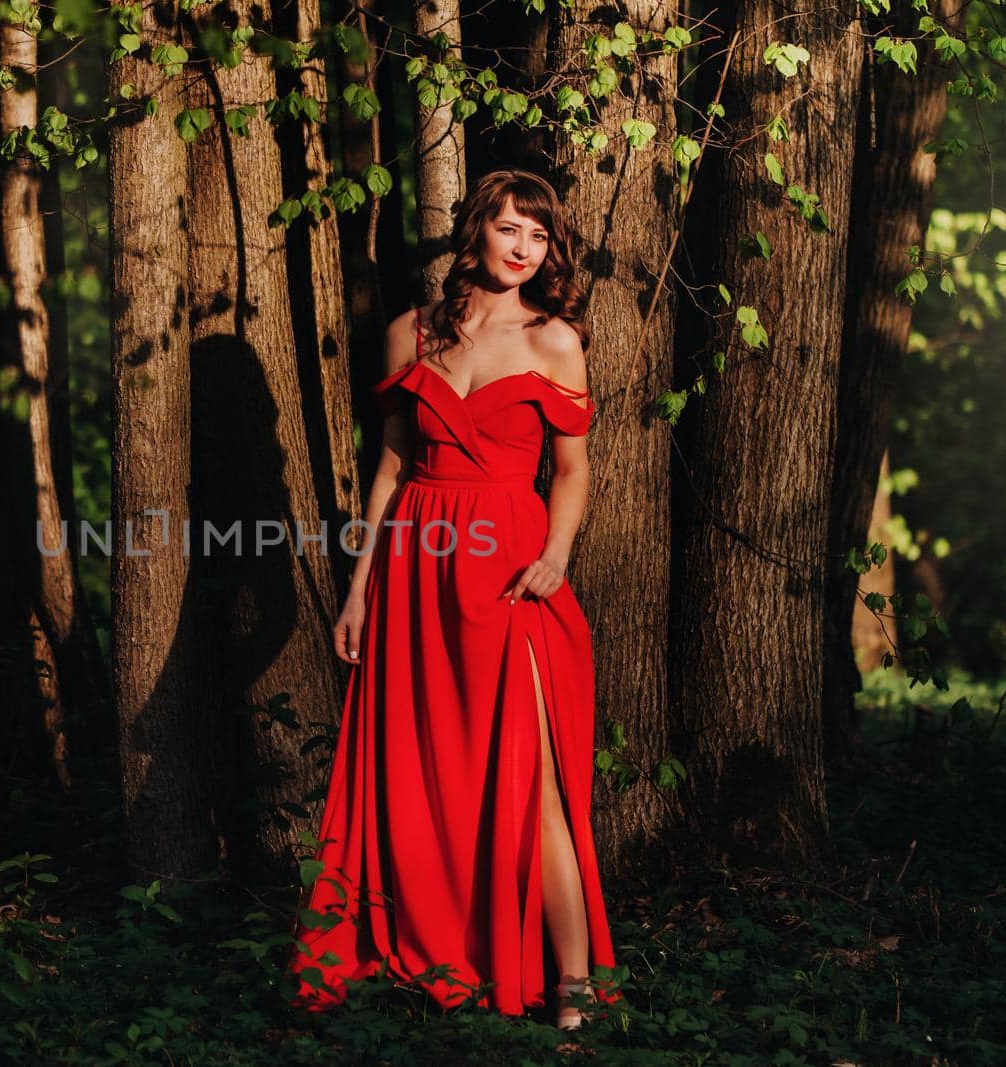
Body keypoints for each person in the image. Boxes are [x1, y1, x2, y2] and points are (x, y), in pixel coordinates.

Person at [286, 168, 620, 1028]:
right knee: (426, 768)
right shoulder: (411, 333)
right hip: (417, 566)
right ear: (476, 229)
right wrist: (359, 587)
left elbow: (574, 472)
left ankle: (574, 986)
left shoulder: (555, 340)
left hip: (511, 572)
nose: (523, 248)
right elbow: (393, 466)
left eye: (539, 236)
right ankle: (446, 947)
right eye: (510, 228)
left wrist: (555, 554)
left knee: (535, 782)